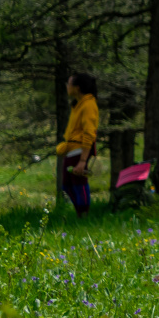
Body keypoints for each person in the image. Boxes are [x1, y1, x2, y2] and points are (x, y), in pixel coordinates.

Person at [57, 72, 99, 217]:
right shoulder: (78, 104)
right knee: (67, 185)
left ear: (77, 87)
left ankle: (84, 215)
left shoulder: (88, 105)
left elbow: (89, 133)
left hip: (80, 151)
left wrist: (82, 160)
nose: (67, 87)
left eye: (69, 84)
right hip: (71, 150)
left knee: (79, 183)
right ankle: (80, 213)